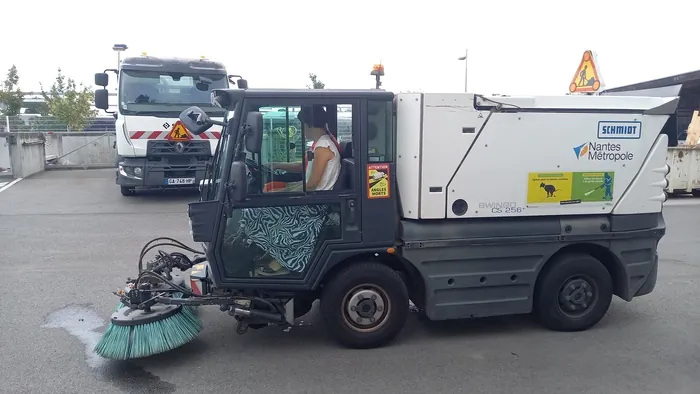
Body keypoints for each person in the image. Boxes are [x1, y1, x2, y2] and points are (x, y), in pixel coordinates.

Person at [236, 105, 342, 276]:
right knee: (265, 205)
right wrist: (276, 164)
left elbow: (313, 183)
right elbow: (303, 169)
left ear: (309, 124)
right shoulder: (320, 144)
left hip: (316, 204)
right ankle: (273, 250)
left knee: (254, 212)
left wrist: (286, 191)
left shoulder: (324, 148)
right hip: (313, 199)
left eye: (302, 125)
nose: (302, 129)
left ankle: (283, 258)